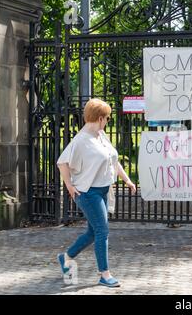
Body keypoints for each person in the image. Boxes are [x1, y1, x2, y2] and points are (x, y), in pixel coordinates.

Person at [56, 98, 136, 288]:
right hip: (88, 193)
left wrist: (127, 180)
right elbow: (62, 162)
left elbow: (113, 161)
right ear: (100, 118)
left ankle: (66, 257)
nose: (108, 121)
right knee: (102, 231)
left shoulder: (101, 135)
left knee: (93, 232)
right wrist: (69, 186)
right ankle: (104, 274)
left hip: (103, 190)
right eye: (107, 118)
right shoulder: (81, 140)